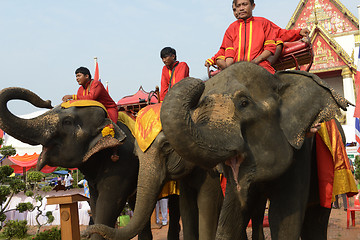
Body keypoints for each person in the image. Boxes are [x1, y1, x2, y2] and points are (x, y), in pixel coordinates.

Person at [206, 0, 309, 74]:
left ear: (253, 6)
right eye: (238, 6)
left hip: (261, 66)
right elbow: (225, 50)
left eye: (245, 4)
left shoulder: (263, 23)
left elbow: (280, 33)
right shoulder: (231, 28)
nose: (241, 8)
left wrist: (298, 33)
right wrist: (226, 66)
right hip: (237, 70)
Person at [62, 67, 119, 161]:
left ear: (87, 76)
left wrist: (72, 97)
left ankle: (115, 152)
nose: (77, 78)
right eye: (76, 76)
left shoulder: (96, 84)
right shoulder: (80, 89)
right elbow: (81, 103)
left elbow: (91, 97)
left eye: (79, 75)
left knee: (111, 126)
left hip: (108, 108)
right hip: (93, 111)